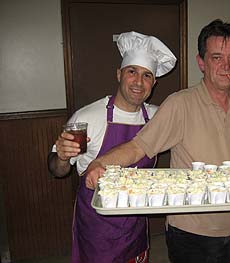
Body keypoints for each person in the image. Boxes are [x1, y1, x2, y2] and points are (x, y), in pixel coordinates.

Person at [85, 19, 230, 263]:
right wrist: (99, 163)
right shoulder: (180, 104)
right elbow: (138, 147)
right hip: (190, 230)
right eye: (217, 58)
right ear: (201, 62)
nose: (227, 66)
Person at [47, 31, 176, 263]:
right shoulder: (88, 117)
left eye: (147, 75)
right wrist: (63, 158)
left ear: (154, 82)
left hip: (136, 223)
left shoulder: (158, 117)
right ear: (119, 74)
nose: (139, 82)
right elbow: (57, 170)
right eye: (132, 72)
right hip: (98, 228)